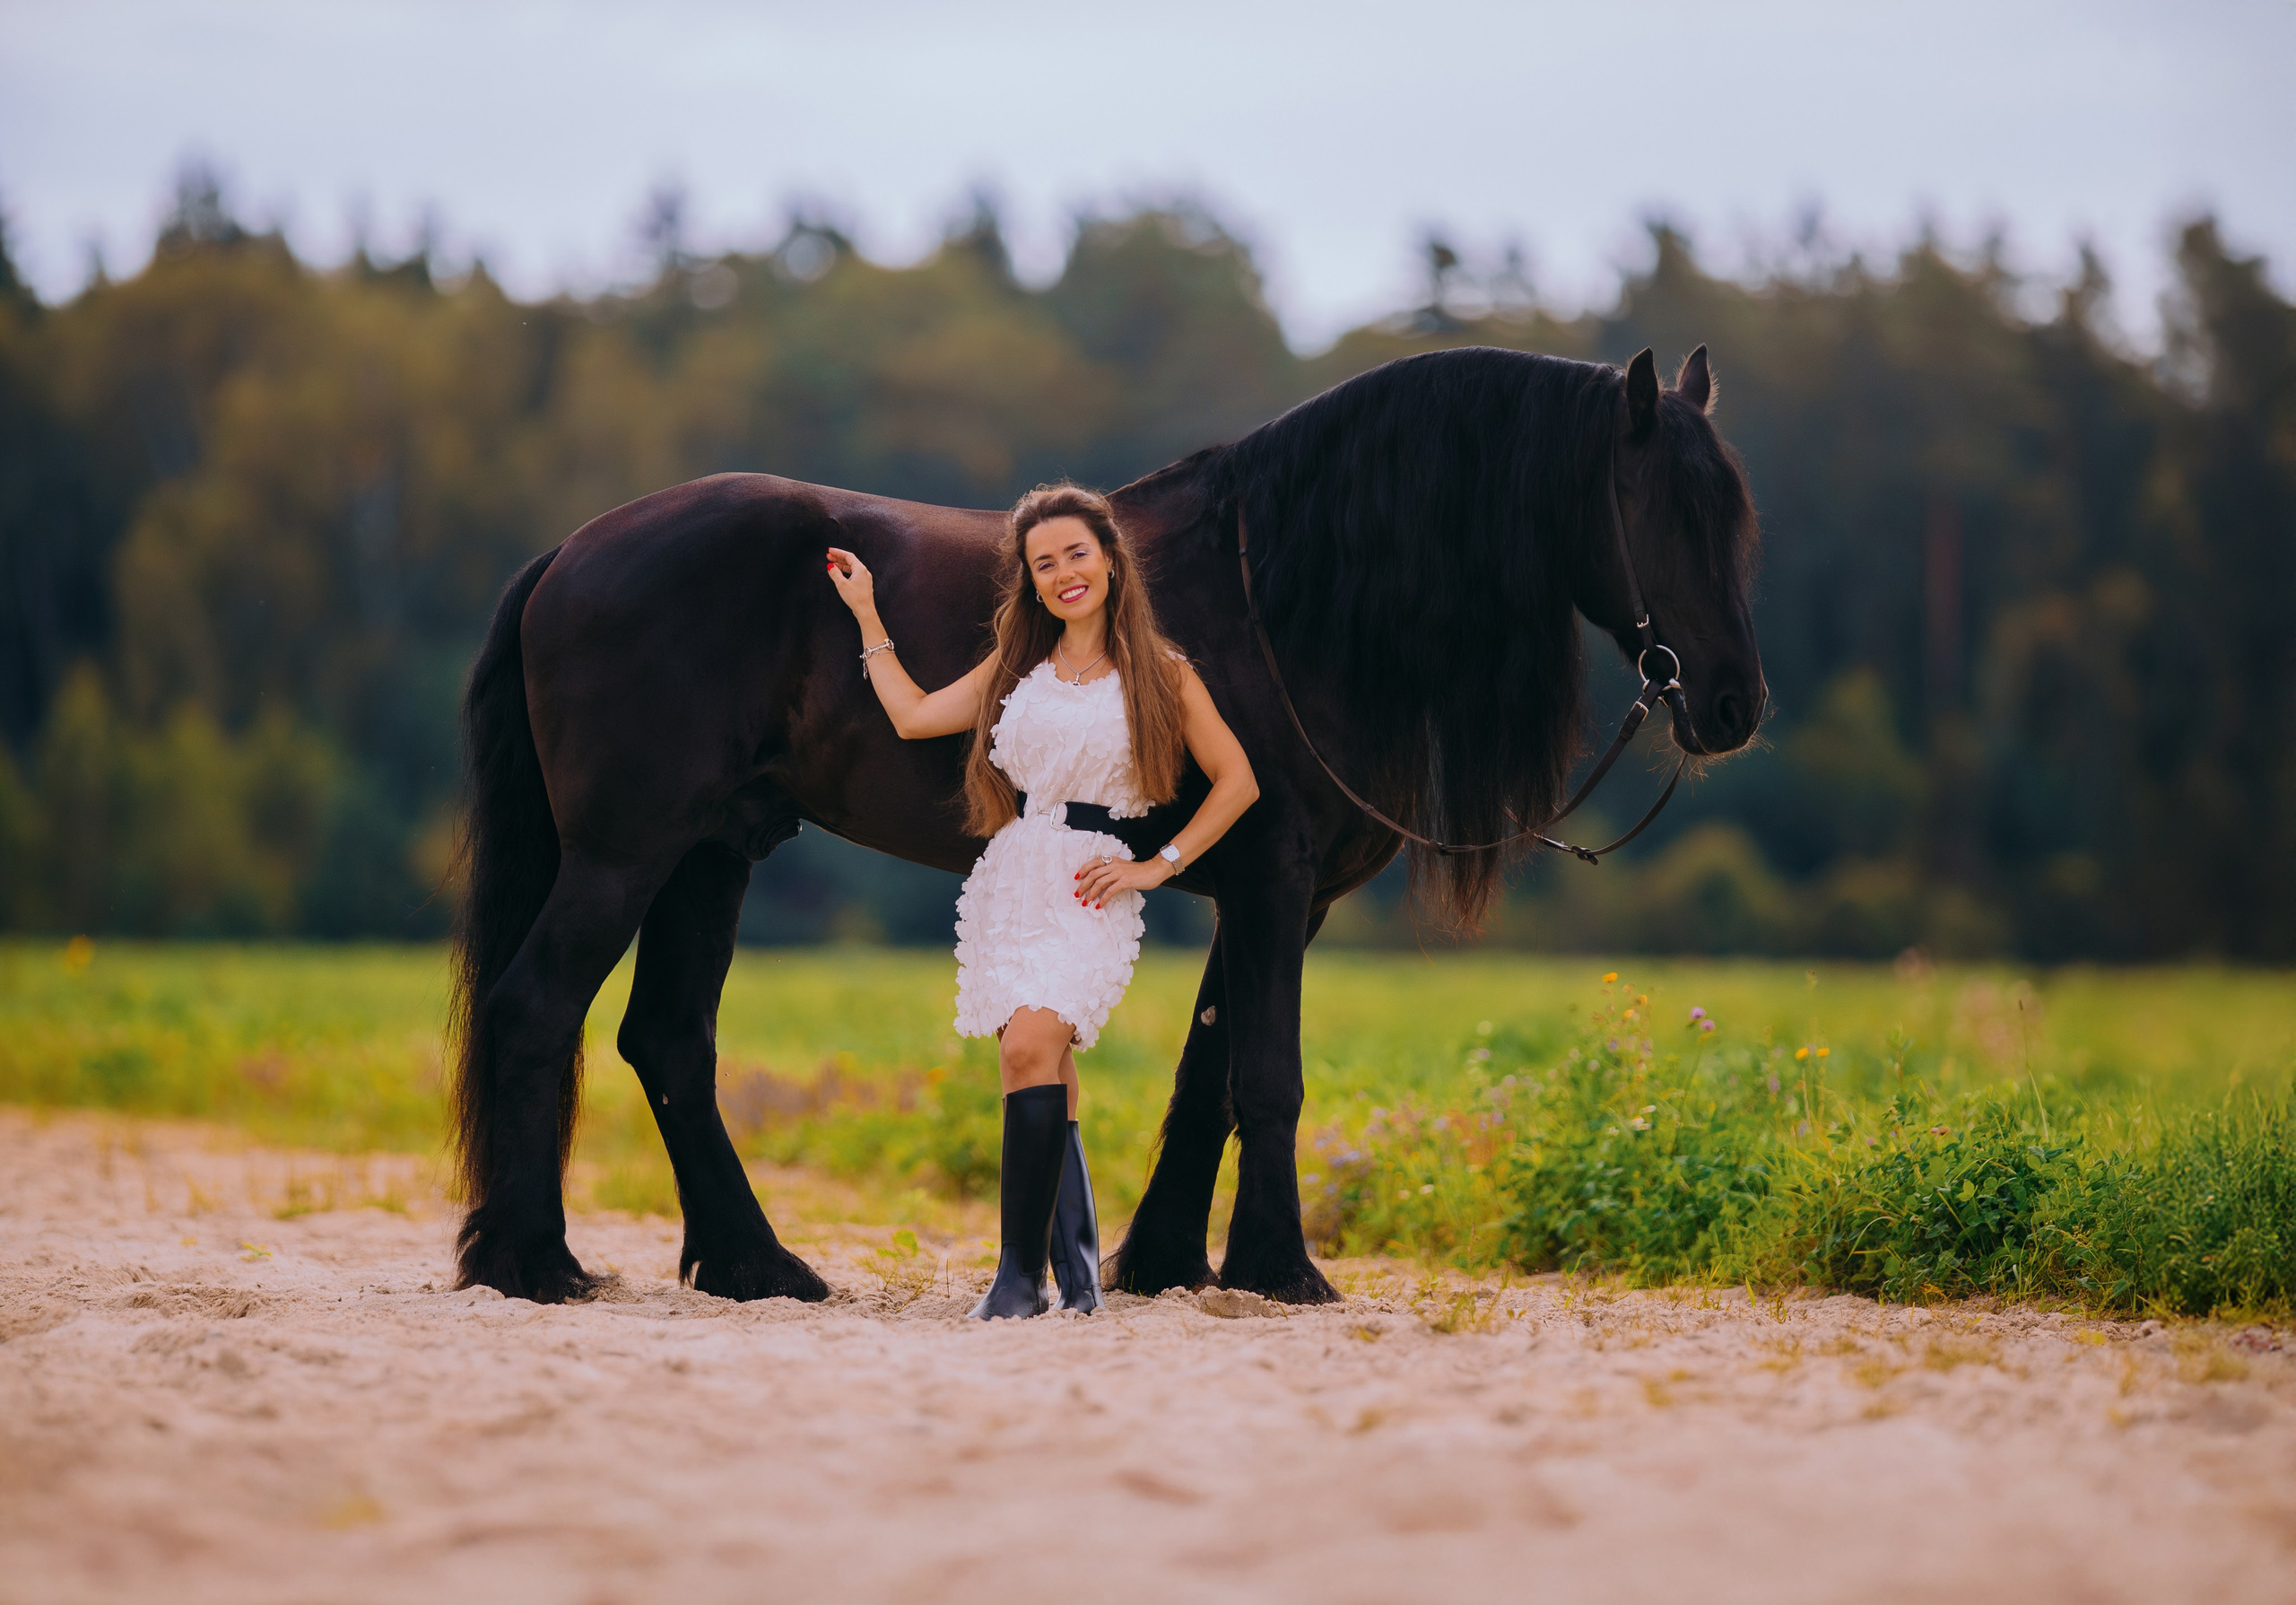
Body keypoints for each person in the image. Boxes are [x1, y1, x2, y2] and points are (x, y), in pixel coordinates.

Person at [825, 484, 1258, 1319]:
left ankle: (1017, 1279)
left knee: (1029, 1048)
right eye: (1044, 563)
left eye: (1077, 555)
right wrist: (868, 614)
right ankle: (1082, 1278)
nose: (1064, 574)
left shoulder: (1162, 674)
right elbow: (915, 717)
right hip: (1012, 876)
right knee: (1040, 1066)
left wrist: (1159, 865)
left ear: (1110, 560)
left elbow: (1237, 779)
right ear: (1030, 580)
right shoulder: (1020, 668)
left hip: (1091, 881)